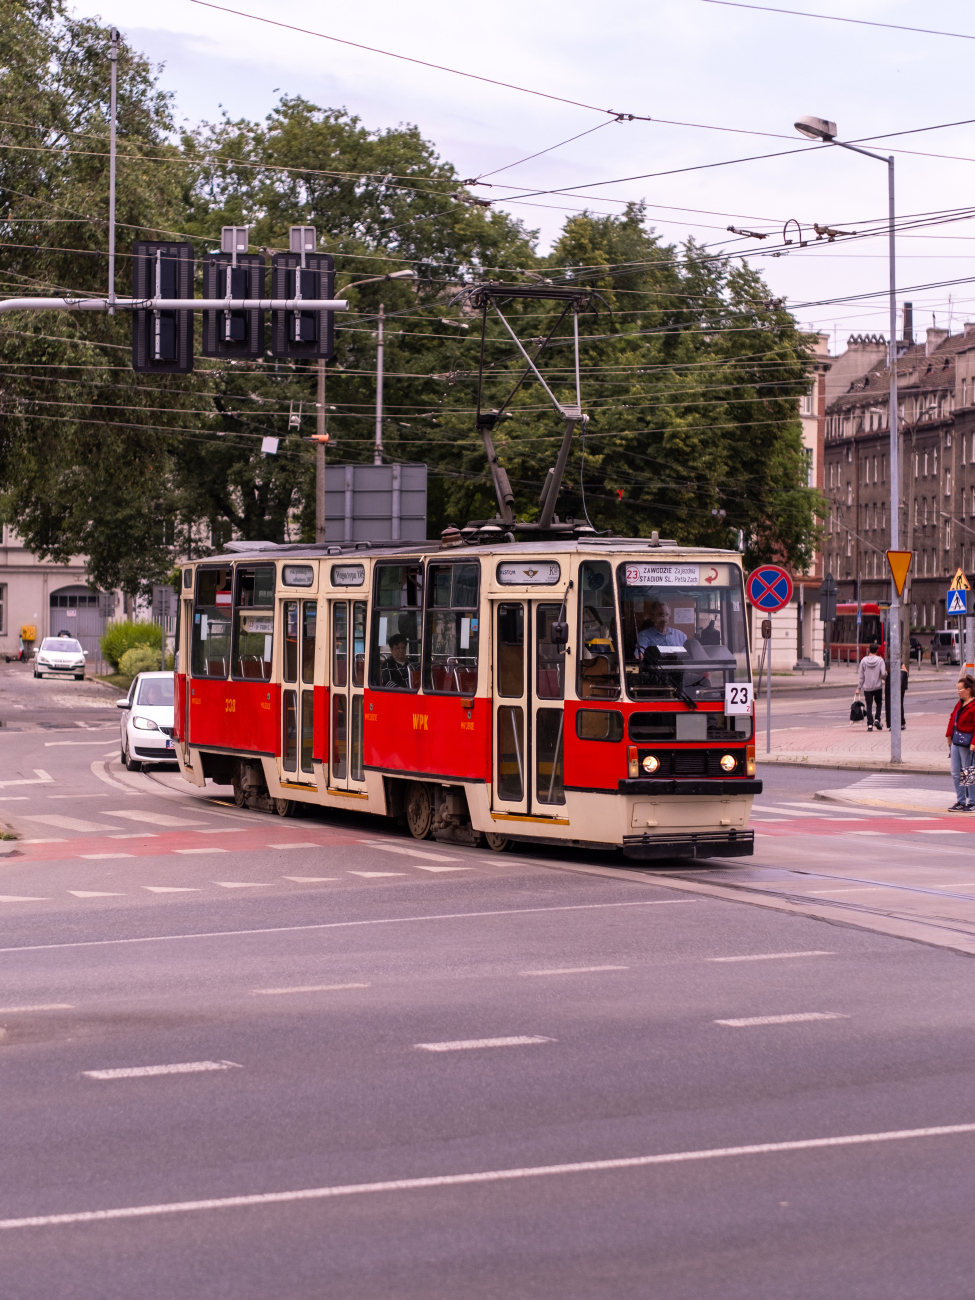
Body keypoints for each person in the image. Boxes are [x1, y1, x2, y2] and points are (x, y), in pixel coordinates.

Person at [946, 675, 975, 811]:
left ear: (968, 690)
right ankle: (961, 801)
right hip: (957, 741)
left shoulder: (973, 706)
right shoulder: (960, 703)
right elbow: (953, 717)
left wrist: (973, 743)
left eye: (960, 689)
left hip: (968, 743)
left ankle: (973, 802)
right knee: (956, 772)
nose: (958, 692)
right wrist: (949, 736)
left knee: (967, 772)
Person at [857, 642, 886, 731]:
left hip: (867, 687)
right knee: (879, 703)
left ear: (869, 650)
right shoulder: (880, 660)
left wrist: (859, 688)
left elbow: (861, 675)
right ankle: (877, 719)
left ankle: (870, 725)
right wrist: (885, 679)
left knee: (868, 705)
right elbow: (883, 673)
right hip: (877, 687)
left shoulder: (863, 661)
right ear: (877, 650)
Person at [884, 656, 908, 730]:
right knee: (899, 703)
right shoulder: (899, 661)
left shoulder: (886, 662)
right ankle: (901, 723)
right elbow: (905, 671)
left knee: (888, 704)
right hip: (898, 683)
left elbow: (883, 673)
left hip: (889, 682)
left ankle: (891, 724)